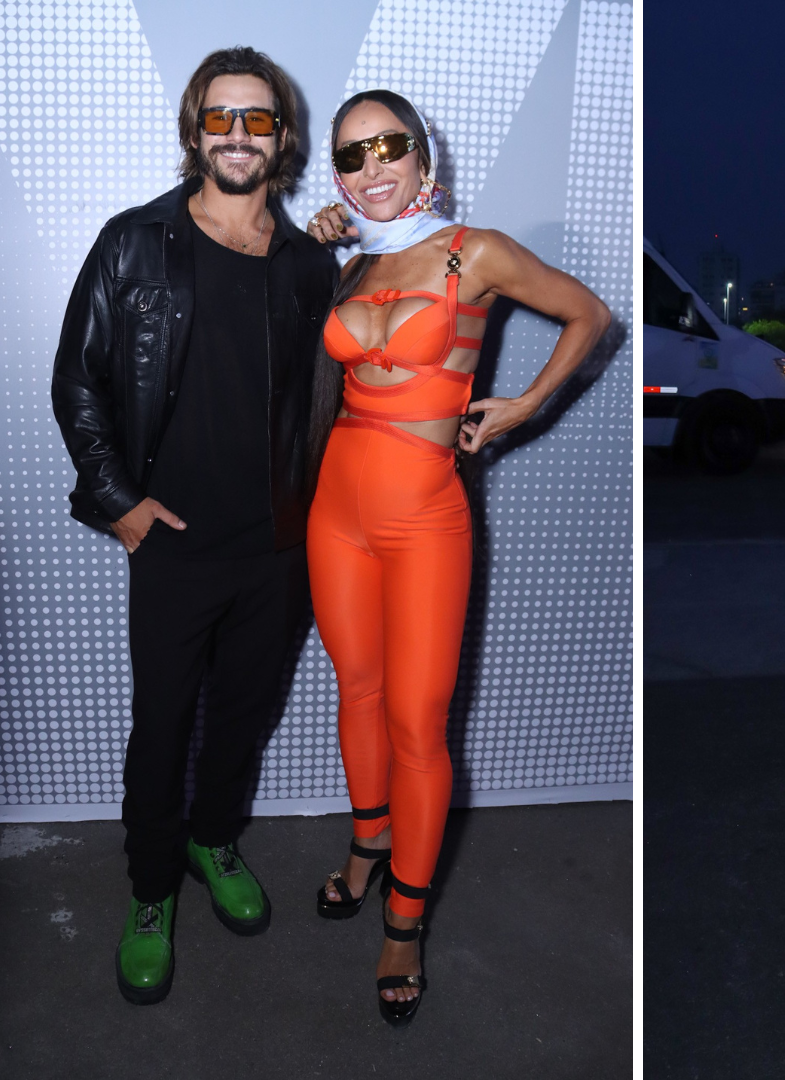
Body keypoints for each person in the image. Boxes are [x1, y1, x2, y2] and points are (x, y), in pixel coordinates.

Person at [300, 88, 610, 1025]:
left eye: (387, 146)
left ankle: (405, 919)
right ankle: (366, 845)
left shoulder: (474, 249)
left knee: (419, 724)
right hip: (337, 508)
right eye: (350, 157)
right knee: (355, 689)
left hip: (427, 514)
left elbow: (590, 315)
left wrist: (524, 405)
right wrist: (319, 247)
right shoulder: (348, 260)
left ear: (422, 157)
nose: (371, 169)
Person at [50, 47, 338, 1005]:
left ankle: (215, 841)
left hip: (279, 546)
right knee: (163, 724)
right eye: (223, 118)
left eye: (259, 120)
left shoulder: (307, 264)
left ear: (283, 138)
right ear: (194, 130)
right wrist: (120, 502)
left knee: (244, 718)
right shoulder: (135, 243)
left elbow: (331, 392)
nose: (240, 136)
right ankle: (148, 890)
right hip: (172, 545)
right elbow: (77, 381)